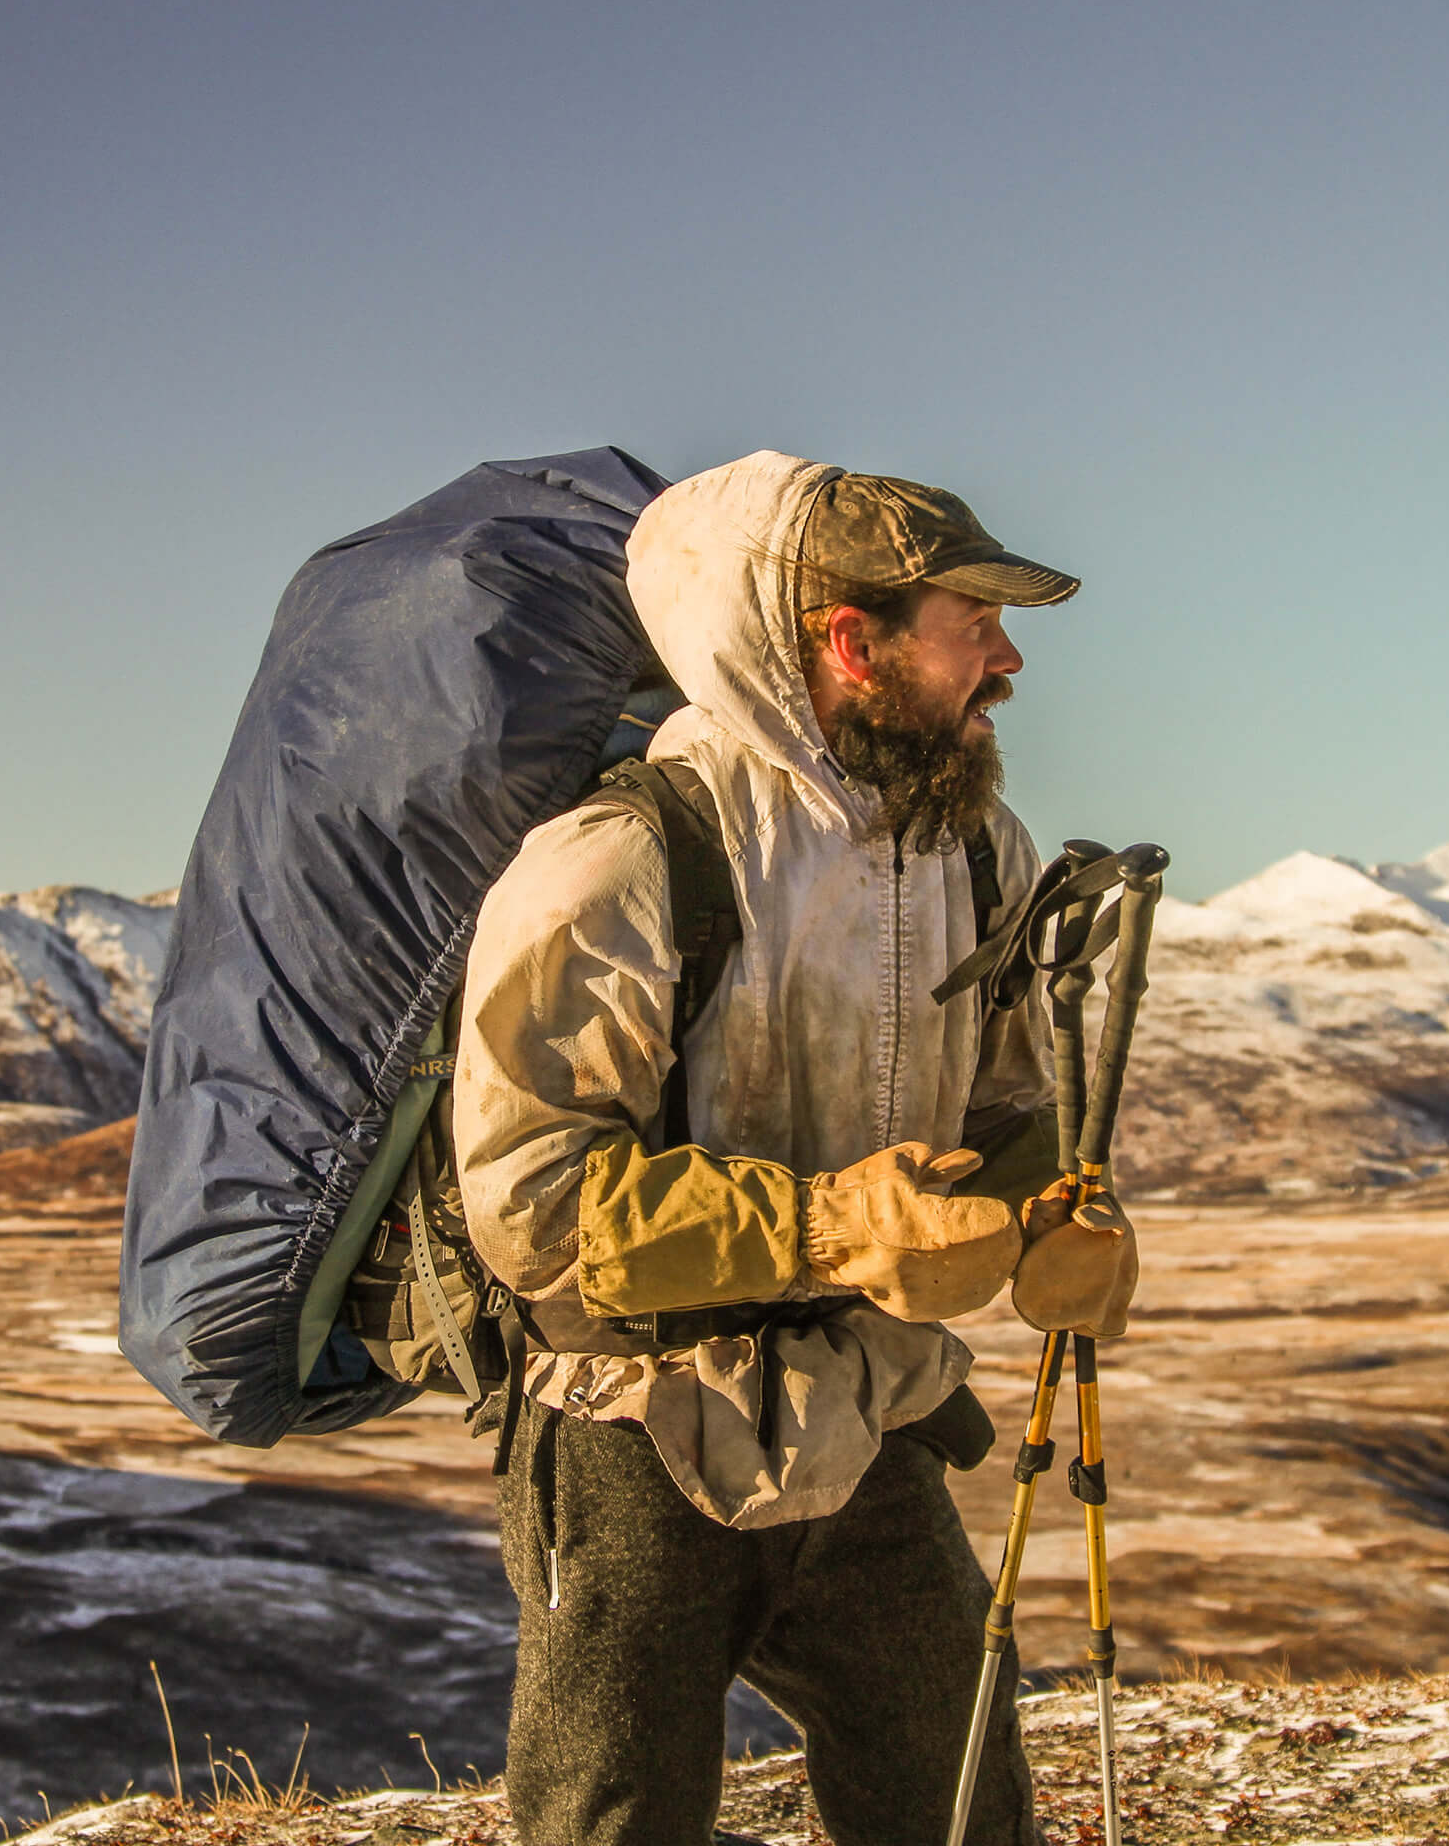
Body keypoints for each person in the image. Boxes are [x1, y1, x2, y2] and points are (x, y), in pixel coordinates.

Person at [451, 450, 1139, 1845]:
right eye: (972, 625)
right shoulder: (625, 860)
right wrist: (833, 1229)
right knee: (615, 1828)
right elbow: (529, 1209)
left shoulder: (979, 853)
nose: (1006, 661)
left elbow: (1012, 1114)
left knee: (958, 1812)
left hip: (870, 1414)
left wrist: (1045, 1221)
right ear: (850, 642)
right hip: (637, 1431)